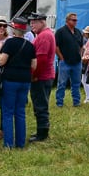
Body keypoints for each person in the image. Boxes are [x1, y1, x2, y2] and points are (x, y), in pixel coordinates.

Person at [0, 17, 37, 149]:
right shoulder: (30, 45)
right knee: (20, 112)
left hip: (10, 80)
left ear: (13, 29)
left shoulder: (9, 43)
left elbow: (2, 61)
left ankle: (8, 143)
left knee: (8, 112)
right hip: (25, 80)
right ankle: (20, 143)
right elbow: (34, 65)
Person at [29, 13, 56, 142]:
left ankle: (42, 133)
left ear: (42, 22)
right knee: (40, 104)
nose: (31, 25)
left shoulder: (44, 36)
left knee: (40, 105)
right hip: (45, 75)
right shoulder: (44, 34)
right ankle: (42, 130)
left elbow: (42, 59)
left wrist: (34, 75)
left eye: (34, 22)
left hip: (42, 76)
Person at [55, 12, 84, 108]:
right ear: (67, 20)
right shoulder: (60, 32)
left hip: (77, 62)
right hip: (65, 62)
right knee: (62, 84)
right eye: (73, 20)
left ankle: (76, 102)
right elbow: (56, 46)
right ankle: (59, 103)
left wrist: (80, 55)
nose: (76, 22)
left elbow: (81, 46)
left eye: (76, 20)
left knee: (76, 83)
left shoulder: (78, 32)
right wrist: (62, 58)